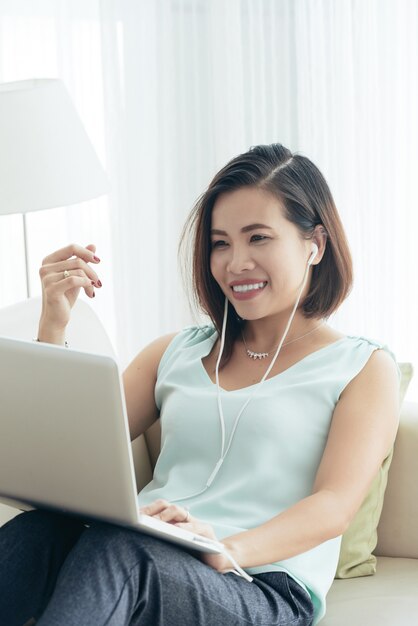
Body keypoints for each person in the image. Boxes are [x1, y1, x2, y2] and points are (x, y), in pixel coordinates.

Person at [0, 143, 399, 626]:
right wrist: (54, 325)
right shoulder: (174, 352)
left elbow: (334, 505)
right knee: (40, 531)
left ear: (314, 243)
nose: (236, 263)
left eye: (259, 238)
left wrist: (224, 546)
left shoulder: (362, 366)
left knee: (124, 551)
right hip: (141, 547)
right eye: (221, 243)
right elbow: (62, 452)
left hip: (256, 582)